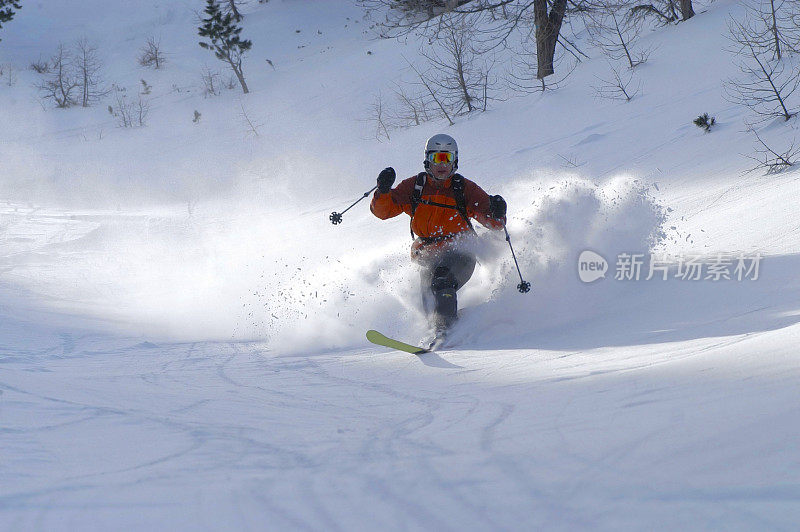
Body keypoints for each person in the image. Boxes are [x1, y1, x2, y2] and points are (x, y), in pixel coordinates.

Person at [370, 133, 507, 336]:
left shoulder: (464, 188)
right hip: (427, 255)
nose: (442, 164)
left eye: (447, 158)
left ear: (455, 160)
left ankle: (445, 331)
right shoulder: (414, 187)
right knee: (429, 302)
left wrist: (497, 211)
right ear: (427, 160)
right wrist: (383, 191)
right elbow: (383, 212)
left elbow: (494, 223)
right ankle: (442, 327)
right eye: (437, 158)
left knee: (442, 280)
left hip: (460, 252)